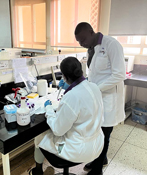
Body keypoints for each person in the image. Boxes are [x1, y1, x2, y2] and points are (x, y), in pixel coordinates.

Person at [29, 57, 104, 175]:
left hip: (77, 150)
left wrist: (48, 109)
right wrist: (68, 89)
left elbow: (58, 130)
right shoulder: (94, 87)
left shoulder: (72, 97)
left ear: (64, 76)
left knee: (39, 136)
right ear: (81, 70)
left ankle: (38, 171)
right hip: (97, 144)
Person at [74, 22, 126, 175]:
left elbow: (119, 75)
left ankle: (97, 170)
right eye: (79, 41)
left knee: (105, 133)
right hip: (97, 98)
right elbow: (95, 74)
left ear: (91, 32)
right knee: (97, 132)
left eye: (83, 39)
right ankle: (100, 159)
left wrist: (95, 89)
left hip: (109, 99)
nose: (81, 43)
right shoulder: (92, 49)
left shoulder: (112, 45)